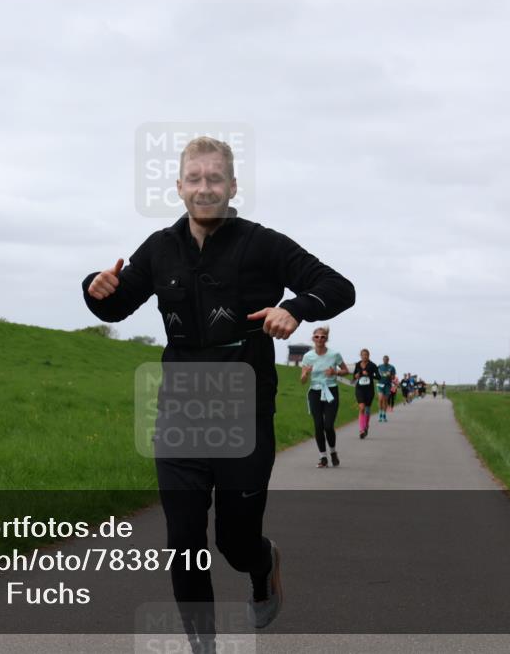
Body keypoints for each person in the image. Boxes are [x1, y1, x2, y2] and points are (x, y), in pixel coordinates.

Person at [83, 137, 354, 652]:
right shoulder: (160, 248)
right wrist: (95, 288)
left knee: (234, 542)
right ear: (179, 187)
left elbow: (339, 286)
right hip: (180, 415)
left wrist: (295, 308)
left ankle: (262, 565)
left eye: (215, 179)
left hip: (244, 414)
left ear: (232, 187)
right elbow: (115, 308)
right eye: (194, 178)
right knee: (184, 545)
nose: (204, 187)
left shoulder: (263, 244)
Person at [300, 326, 349, 467]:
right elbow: (302, 381)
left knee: (328, 426)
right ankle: (323, 457)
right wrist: (306, 373)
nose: (319, 339)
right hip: (315, 392)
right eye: (317, 337)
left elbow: (346, 371)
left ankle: (333, 452)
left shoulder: (334, 354)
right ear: (313, 338)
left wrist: (335, 373)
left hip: (330, 391)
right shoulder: (307, 357)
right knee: (318, 425)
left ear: (326, 339)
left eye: (322, 337)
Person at [351, 349, 380, 439]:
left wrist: (369, 375)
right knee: (361, 408)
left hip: (369, 390)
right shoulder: (357, 364)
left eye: (366, 355)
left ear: (369, 355)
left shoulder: (372, 365)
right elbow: (354, 376)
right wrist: (356, 376)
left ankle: (366, 425)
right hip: (359, 389)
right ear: (360, 355)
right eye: (363, 355)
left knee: (367, 409)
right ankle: (362, 429)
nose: (364, 356)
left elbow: (379, 377)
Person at [376, 355, 396, 422]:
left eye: (386, 359)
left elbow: (393, 377)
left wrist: (390, 375)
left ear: (388, 360)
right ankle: (380, 414)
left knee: (385, 400)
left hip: (387, 385)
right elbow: (375, 374)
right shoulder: (379, 366)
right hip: (380, 384)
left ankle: (384, 415)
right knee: (380, 399)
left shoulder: (392, 367)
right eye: (384, 359)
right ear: (383, 360)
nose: (385, 360)